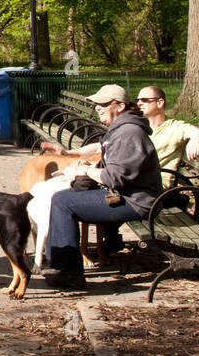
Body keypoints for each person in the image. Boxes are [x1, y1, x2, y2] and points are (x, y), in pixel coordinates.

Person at [42, 85, 163, 291]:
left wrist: (86, 171)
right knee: (62, 197)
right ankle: (56, 263)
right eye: (97, 104)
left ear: (121, 106)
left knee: (63, 203)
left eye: (104, 104)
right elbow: (102, 150)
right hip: (126, 194)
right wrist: (73, 157)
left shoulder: (129, 133)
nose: (98, 108)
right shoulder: (120, 129)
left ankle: (70, 274)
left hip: (138, 201)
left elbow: (115, 178)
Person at [135, 86, 199, 174]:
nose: (139, 103)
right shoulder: (139, 127)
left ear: (160, 103)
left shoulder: (175, 128)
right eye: (137, 100)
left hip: (155, 184)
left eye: (144, 100)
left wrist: (196, 138)